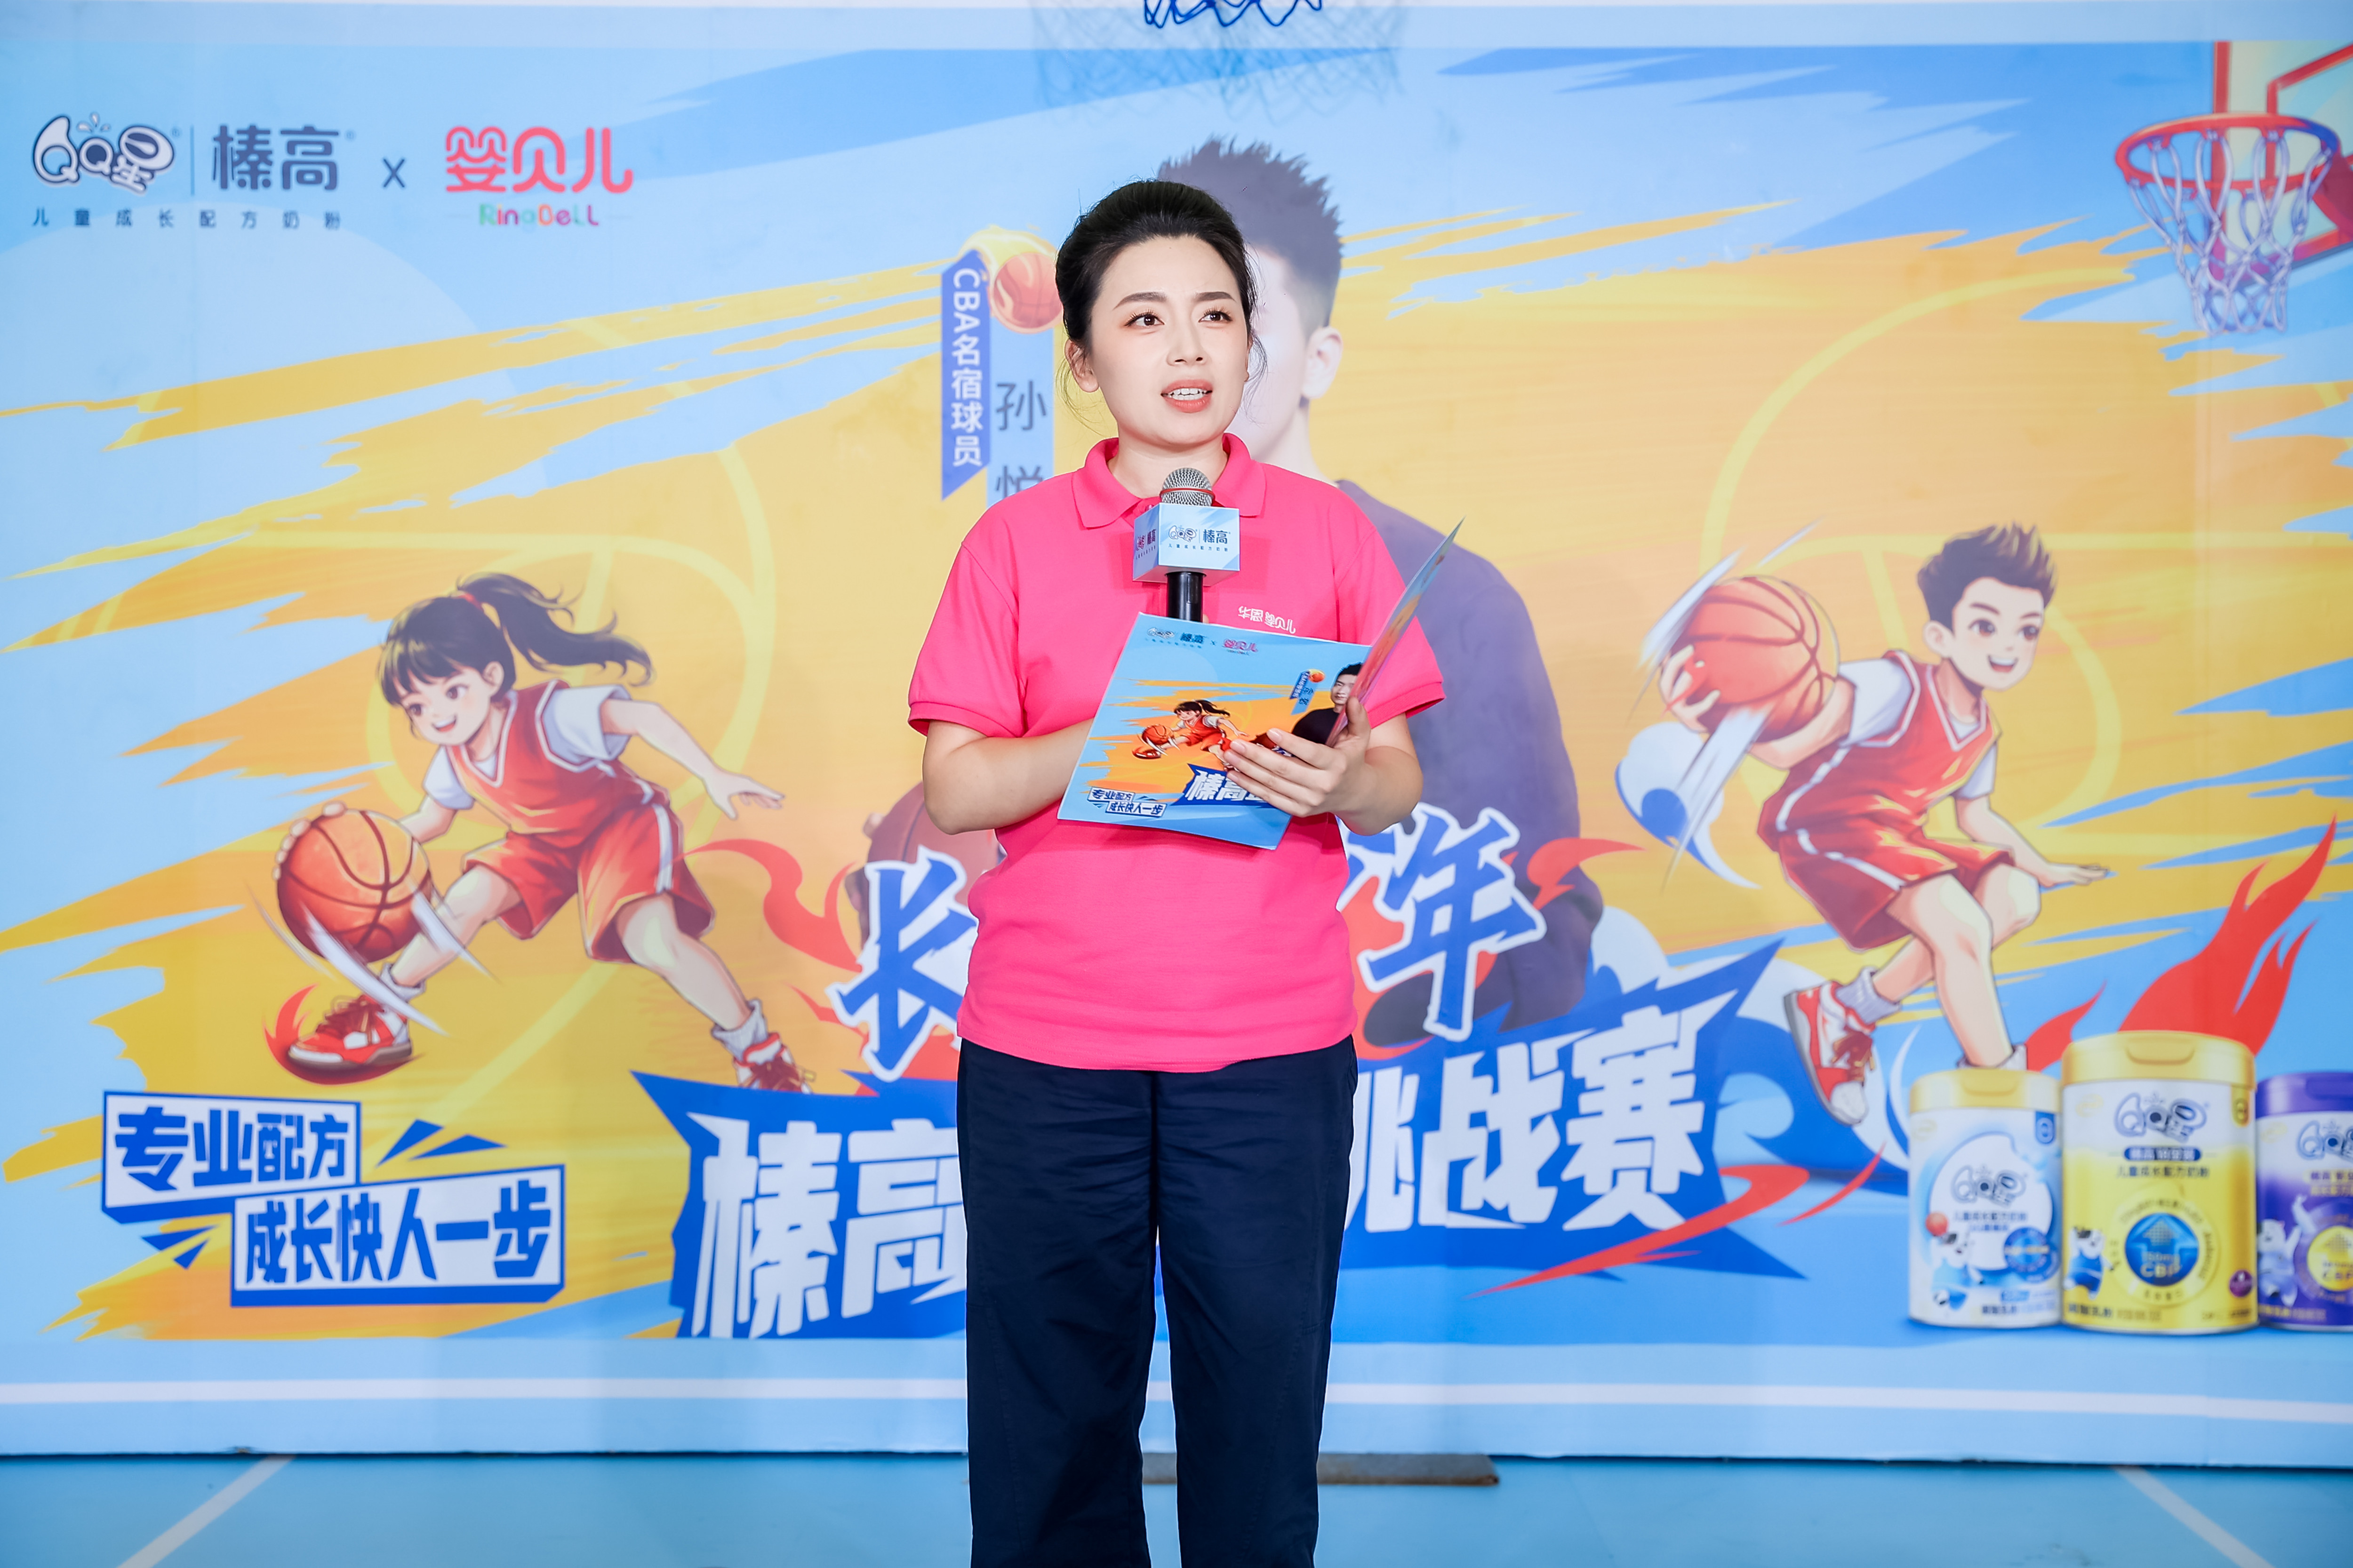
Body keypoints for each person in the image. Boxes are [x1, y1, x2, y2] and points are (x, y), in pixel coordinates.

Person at [911, 180, 1441, 1568]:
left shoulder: (1326, 532)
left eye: (1217, 314)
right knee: (1048, 1423)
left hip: (1267, 1050)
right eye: (1144, 319)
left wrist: (1340, 781)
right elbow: (957, 787)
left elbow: (1394, 777)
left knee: (1259, 1413)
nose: (1189, 346)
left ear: (1255, 343)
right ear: (1083, 360)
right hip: (1048, 1050)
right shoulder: (1012, 544)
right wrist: (1123, 722)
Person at [1159, 139, 1602, 1038]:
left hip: (1346, 1075)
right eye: (1154, 316)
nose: (1198, 355)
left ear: (1319, 360)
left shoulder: (1450, 599)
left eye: (1235, 314)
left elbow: (1539, 926)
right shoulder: (1074, 565)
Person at [274, 574, 807, 1091]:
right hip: (545, 843)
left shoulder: (551, 716)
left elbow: (642, 716)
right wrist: (342, 844)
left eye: (452, 691)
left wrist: (712, 773)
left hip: (619, 826)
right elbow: (430, 822)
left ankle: (760, 1054)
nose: (436, 715)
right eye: (418, 706)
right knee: (468, 897)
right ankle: (387, 1012)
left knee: (652, 942)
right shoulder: (453, 758)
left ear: (490, 677)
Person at [1660, 525, 2109, 1124]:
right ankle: (2001, 1100)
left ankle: (1845, 1011)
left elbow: (1976, 816)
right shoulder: (1891, 685)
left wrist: (2042, 867)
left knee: (2014, 897)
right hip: (1827, 829)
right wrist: (1710, 722)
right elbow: (1789, 747)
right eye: (1985, 625)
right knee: (1959, 925)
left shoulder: (1981, 731)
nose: (2008, 645)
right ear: (1939, 635)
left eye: (2026, 630)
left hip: (1893, 838)